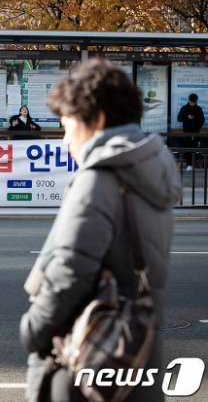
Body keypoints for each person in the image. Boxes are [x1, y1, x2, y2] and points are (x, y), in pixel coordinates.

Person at [20, 59, 181, 402]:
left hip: (88, 355)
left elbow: (70, 271)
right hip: (135, 347)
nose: (65, 141)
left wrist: (33, 329)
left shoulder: (99, 178)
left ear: (97, 119)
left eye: (67, 126)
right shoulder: (149, 168)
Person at [176, 93, 205, 169]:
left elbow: (202, 120)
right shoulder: (184, 108)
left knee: (195, 148)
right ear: (189, 100)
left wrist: (198, 126)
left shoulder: (198, 109)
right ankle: (189, 164)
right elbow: (179, 118)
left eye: (194, 102)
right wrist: (187, 117)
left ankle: (193, 164)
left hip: (196, 132)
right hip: (186, 132)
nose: (192, 103)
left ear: (196, 101)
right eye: (191, 101)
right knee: (187, 148)